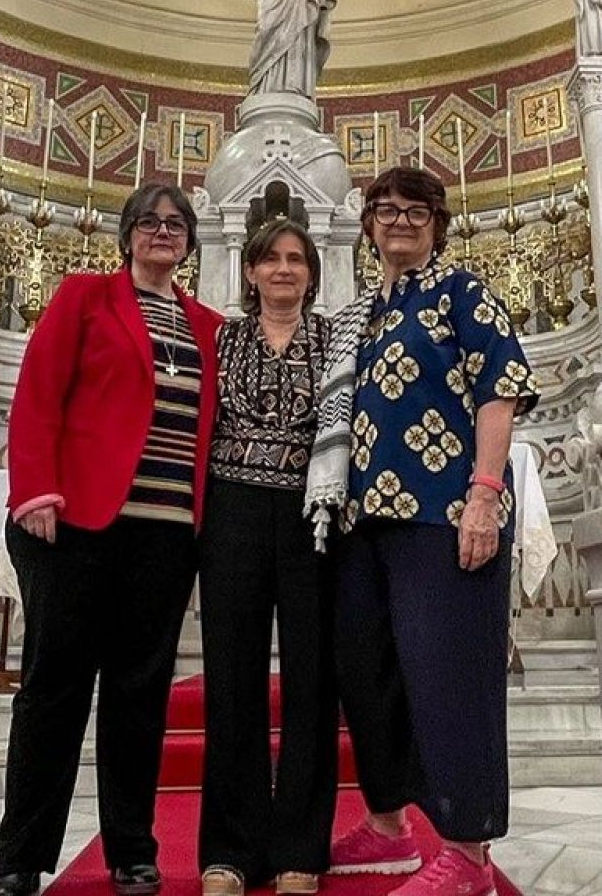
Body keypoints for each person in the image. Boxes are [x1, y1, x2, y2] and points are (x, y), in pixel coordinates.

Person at [0, 182, 224, 896]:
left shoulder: (210, 326)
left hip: (166, 535)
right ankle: (20, 860)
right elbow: (39, 392)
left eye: (175, 225)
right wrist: (33, 489)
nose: (162, 233)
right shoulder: (83, 298)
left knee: (139, 693)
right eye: (149, 222)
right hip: (75, 523)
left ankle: (132, 849)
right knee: (53, 691)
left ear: (190, 242)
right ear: (126, 235)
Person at [312, 167, 539, 896]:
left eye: (416, 211)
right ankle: (388, 824)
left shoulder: (461, 293)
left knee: (450, 680)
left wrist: (483, 495)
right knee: (369, 675)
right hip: (363, 518)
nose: (400, 221)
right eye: (386, 210)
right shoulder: (364, 313)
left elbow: (500, 387)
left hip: (442, 515)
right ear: (369, 225)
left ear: (438, 223)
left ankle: (467, 852)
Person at [197, 220, 336, 896]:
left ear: (312, 273)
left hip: (314, 521)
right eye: (271, 260)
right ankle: (229, 850)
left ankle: (300, 851)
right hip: (232, 514)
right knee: (232, 678)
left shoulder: (338, 341)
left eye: (295, 260)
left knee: (311, 681)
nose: (284, 270)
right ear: (249, 272)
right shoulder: (220, 338)